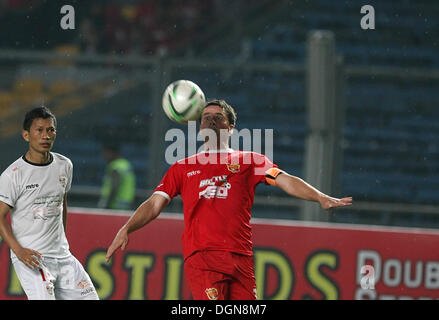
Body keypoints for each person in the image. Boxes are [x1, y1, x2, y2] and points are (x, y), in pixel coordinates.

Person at [106, 99, 352, 300]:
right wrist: (128, 227)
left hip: (240, 258)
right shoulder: (182, 168)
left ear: (231, 127)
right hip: (203, 257)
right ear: (200, 128)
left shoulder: (250, 161)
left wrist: (319, 197)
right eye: (206, 118)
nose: (211, 121)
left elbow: (284, 179)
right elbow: (154, 204)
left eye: (218, 117)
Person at [0, 106, 99, 300]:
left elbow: (62, 202)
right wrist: (18, 251)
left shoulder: (64, 165)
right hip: (32, 258)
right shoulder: (14, 175)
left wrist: (61, 240)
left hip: (63, 256)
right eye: (39, 130)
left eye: (50, 130)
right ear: (26, 135)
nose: (46, 135)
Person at [97, 142, 136, 210]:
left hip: (114, 207)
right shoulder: (125, 164)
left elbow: (114, 187)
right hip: (126, 205)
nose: (103, 156)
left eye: (105, 153)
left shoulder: (115, 167)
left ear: (111, 152)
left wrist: (105, 204)